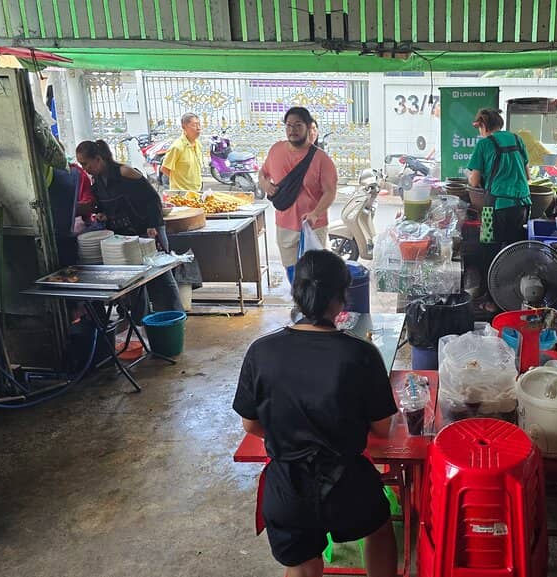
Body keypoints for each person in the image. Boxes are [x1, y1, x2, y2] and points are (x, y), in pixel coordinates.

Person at [233, 250, 398, 577]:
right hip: (347, 484)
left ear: (297, 292)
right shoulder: (361, 353)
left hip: (287, 489)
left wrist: (292, 433)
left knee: (304, 563)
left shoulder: (261, 351)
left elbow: (250, 424)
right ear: (341, 297)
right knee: (379, 530)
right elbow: (382, 429)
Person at [75, 140, 182, 315]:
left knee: (161, 275)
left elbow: (152, 199)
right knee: (135, 281)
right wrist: (103, 213)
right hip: (125, 236)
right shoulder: (98, 181)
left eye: (86, 163)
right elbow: (109, 206)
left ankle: (174, 316)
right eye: (81, 164)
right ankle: (143, 320)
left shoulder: (124, 172)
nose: (84, 168)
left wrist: (152, 225)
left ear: (98, 159)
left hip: (147, 229)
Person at [257, 107, 338, 276]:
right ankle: (296, 294)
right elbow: (263, 173)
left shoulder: (321, 159)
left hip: (313, 227)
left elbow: (330, 192)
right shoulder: (276, 150)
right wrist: (265, 184)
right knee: (292, 271)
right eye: (289, 125)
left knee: (316, 274)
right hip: (285, 224)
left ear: (308, 127)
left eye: (298, 125)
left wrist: (315, 213)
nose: (292, 130)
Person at [466, 108, 531, 310]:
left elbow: (474, 181)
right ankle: (514, 298)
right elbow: (527, 175)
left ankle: (492, 301)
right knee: (513, 252)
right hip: (522, 204)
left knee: (488, 252)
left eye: (479, 128)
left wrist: (471, 176)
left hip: (494, 206)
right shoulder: (517, 140)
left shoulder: (484, 144)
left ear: (483, 126)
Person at [162, 112, 203, 192]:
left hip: (197, 190)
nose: (198, 128)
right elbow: (165, 169)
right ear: (184, 127)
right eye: (194, 125)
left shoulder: (198, 144)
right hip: (180, 193)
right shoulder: (177, 147)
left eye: (199, 124)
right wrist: (179, 181)